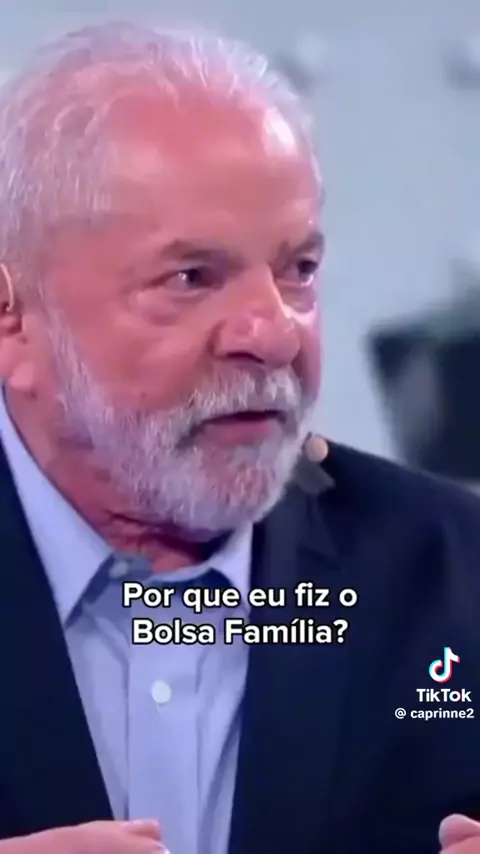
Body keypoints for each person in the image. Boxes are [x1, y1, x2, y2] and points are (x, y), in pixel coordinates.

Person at [0, 20, 479, 854]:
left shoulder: (456, 574)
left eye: (299, 270)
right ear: (14, 321)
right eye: (192, 277)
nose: (276, 331)